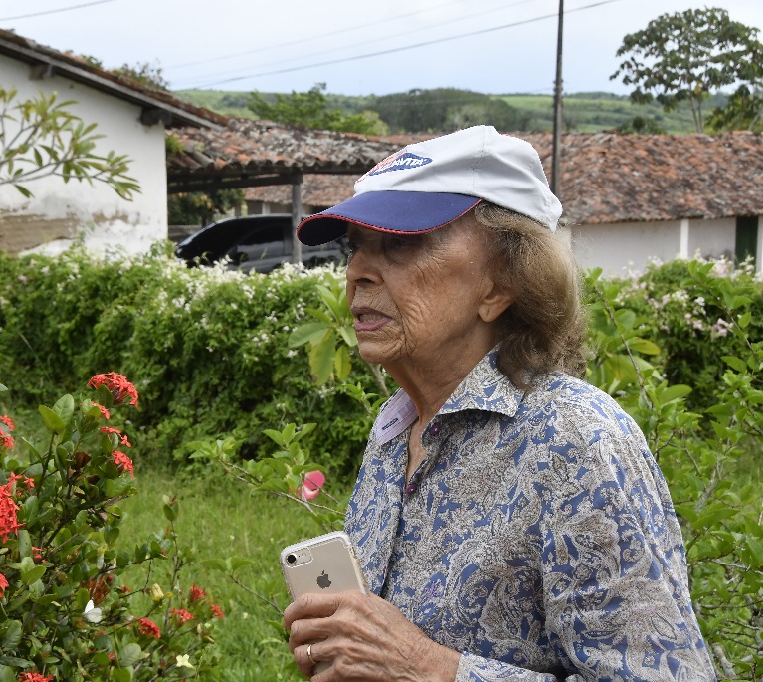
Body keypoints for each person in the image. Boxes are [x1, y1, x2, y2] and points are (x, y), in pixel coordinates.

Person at [283, 126, 716, 681]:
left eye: (401, 243)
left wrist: (427, 668)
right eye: (356, 246)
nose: (358, 272)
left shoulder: (576, 443)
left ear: (502, 283)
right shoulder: (396, 427)